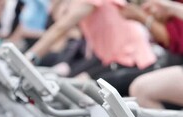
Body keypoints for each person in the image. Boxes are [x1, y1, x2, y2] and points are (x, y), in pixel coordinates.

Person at [24, 0, 157, 79]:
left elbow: (62, 27)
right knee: (70, 83)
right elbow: (58, 17)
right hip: (111, 58)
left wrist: (30, 57)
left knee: (78, 88)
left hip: (132, 59)